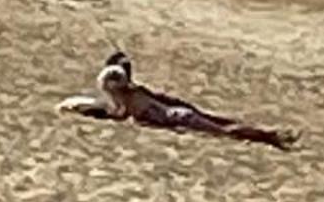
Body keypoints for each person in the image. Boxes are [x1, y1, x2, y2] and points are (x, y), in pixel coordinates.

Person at [58, 51, 295, 149]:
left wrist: (89, 110)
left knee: (227, 131)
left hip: (178, 117)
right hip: (179, 112)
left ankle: (270, 138)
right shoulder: (135, 91)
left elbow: (118, 113)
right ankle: (271, 136)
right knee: (225, 125)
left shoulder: (125, 98)